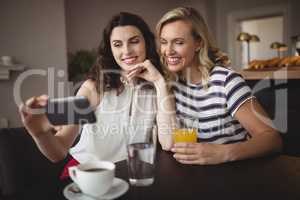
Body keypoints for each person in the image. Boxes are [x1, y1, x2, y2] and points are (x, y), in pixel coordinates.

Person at [19, 12, 175, 165]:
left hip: (134, 175)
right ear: (110, 50)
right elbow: (59, 151)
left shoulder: (158, 89)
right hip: (91, 175)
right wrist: (40, 134)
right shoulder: (93, 88)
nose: (126, 51)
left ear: (146, 43)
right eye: (117, 44)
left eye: (134, 41)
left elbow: (168, 143)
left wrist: (160, 82)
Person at [156, 7, 282, 165]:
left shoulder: (227, 81)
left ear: (198, 43)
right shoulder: (171, 85)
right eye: (163, 42)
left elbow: (272, 139)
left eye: (178, 42)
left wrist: (224, 152)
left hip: (233, 176)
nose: (168, 51)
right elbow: (169, 144)